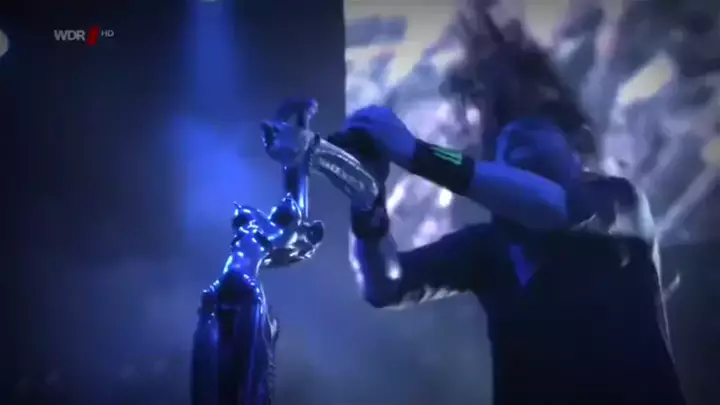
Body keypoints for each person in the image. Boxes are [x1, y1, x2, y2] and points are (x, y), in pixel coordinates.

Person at [262, 27, 685, 405]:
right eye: (504, 144)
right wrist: (367, 204)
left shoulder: (619, 200)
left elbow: (555, 208)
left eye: (534, 132)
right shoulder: (486, 248)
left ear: (578, 148)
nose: (515, 140)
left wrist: (417, 153)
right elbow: (385, 285)